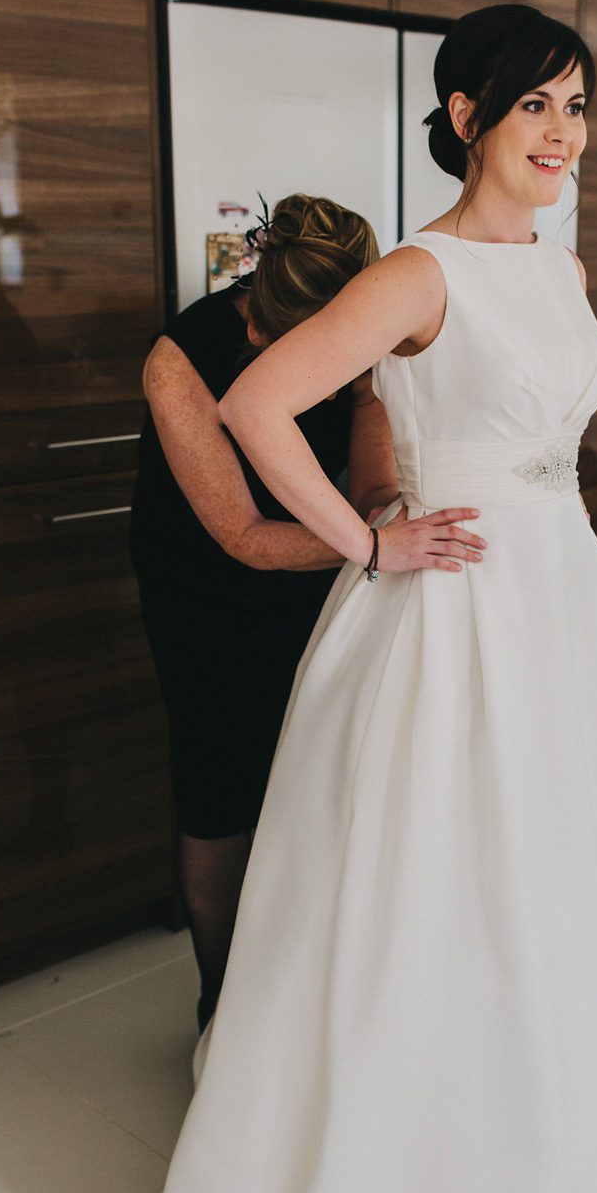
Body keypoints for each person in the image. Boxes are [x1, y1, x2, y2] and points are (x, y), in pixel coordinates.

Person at [137, 6, 597, 1193]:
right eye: (535, 107)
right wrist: (368, 542)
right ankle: (427, 1191)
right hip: (446, 607)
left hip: (563, 595)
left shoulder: (556, 269)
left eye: (577, 108)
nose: (562, 134)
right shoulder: (416, 272)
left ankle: (593, 1144)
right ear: (464, 119)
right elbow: (257, 408)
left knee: (577, 868)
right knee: (441, 879)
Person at [130, 194, 404, 1030]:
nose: (252, 344)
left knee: (321, 777)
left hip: (336, 567)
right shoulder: (180, 361)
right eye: (255, 327)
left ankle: (298, 1002)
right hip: (206, 587)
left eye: (277, 345)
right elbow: (243, 536)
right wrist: (380, 545)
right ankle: (221, 996)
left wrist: (385, 526)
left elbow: (374, 486)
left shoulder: (371, 332)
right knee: (221, 787)